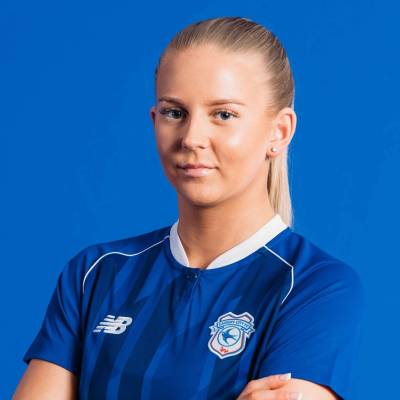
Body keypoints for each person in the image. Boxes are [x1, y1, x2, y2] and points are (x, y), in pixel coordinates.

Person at [13, 16, 365, 400]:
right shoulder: (96, 274)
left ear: (279, 131)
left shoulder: (314, 286)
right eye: (174, 112)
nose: (192, 138)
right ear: (154, 120)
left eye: (224, 114)